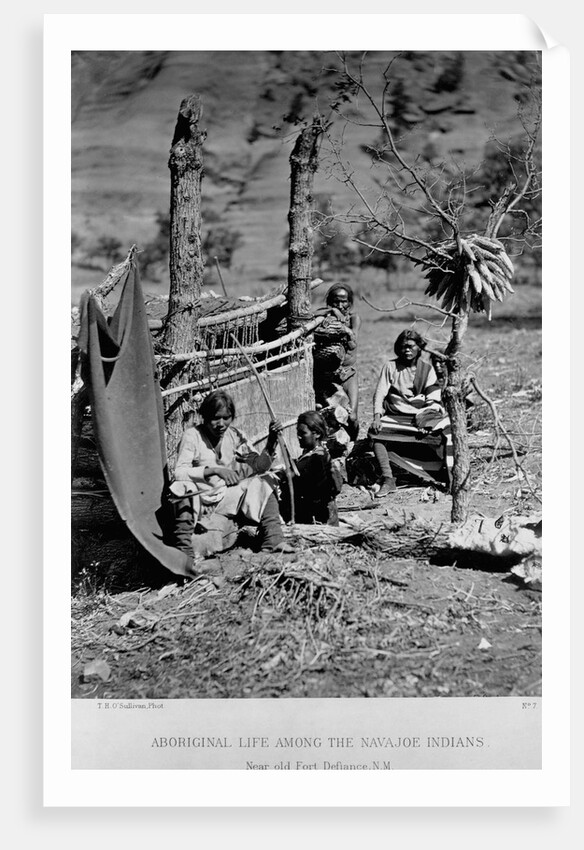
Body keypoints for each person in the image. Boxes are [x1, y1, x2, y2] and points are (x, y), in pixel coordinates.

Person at [170, 389, 293, 565]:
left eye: (226, 418)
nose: (221, 424)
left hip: (225, 498)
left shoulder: (234, 435)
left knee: (265, 480)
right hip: (202, 505)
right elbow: (179, 472)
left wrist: (272, 440)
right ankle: (187, 558)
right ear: (204, 417)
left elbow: (259, 466)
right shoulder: (192, 436)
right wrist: (214, 470)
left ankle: (273, 539)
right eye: (215, 418)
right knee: (183, 490)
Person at [369, 329, 449, 498]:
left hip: (420, 416)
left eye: (411, 346)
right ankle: (388, 479)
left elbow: (433, 398)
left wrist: (427, 420)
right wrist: (377, 416)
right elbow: (380, 393)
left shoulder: (427, 370)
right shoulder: (390, 367)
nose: (407, 350)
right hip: (396, 414)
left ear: (419, 347)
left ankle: (443, 475)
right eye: (403, 346)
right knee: (376, 434)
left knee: (443, 436)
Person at [312, 283, 361, 440]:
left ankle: (354, 444)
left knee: (352, 417)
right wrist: (332, 312)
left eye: (344, 301)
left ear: (349, 302)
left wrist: (344, 329)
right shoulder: (324, 318)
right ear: (329, 302)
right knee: (329, 416)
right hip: (327, 377)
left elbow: (353, 344)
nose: (340, 305)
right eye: (336, 301)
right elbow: (313, 315)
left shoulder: (354, 319)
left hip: (347, 375)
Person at [278, 411, 341, 525]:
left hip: (319, 519)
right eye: (298, 433)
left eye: (303, 433)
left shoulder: (318, 457)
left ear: (316, 434)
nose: (299, 437)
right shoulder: (310, 452)